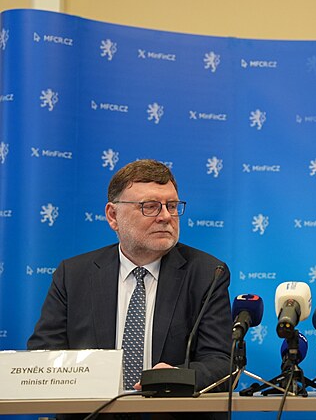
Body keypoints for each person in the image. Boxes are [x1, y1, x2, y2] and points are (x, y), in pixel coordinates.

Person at [28, 159, 232, 417]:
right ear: (113, 216)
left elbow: (222, 363)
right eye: (150, 207)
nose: (165, 217)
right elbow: (44, 356)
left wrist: (176, 377)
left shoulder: (207, 274)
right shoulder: (73, 275)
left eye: (171, 206)